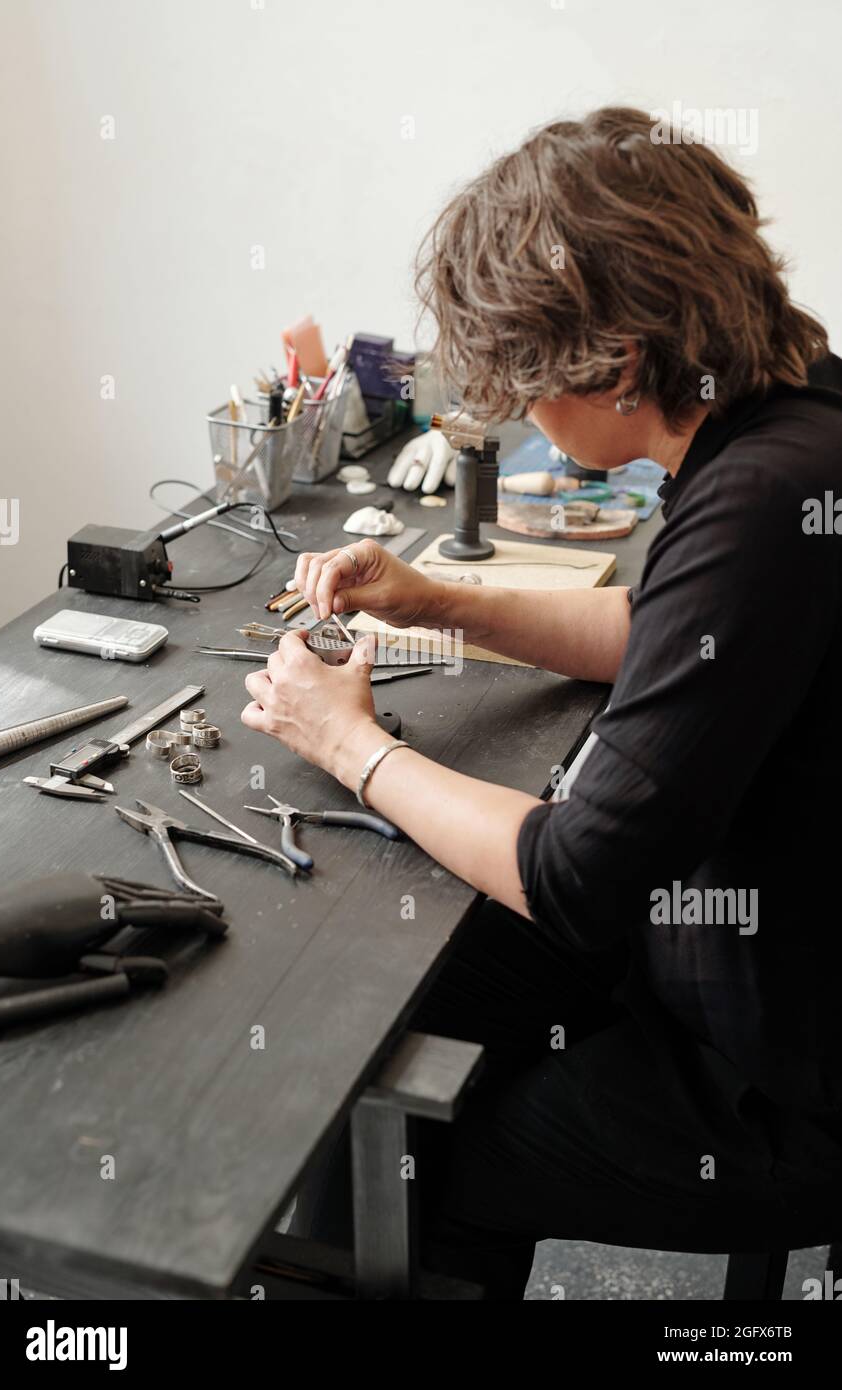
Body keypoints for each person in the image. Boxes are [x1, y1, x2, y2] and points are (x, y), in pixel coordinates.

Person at [241, 108, 842, 1298]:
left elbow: (575, 876)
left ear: (612, 362)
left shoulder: (760, 503)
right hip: (728, 940)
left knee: (410, 1158)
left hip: (780, 1075)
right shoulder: (794, 407)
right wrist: (439, 602)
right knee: (384, 1011)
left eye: (529, 382)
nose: (522, 413)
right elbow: (663, 633)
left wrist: (348, 744)